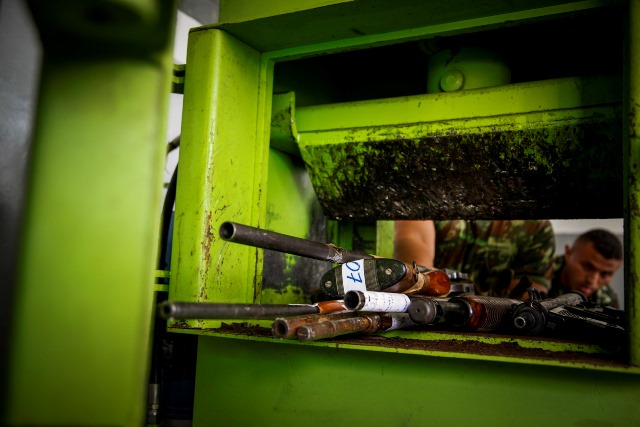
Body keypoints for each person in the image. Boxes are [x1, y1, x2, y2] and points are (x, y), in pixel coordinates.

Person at [394, 219, 556, 298]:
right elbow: (417, 277)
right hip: (429, 318)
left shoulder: (535, 226)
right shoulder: (428, 193)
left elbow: (529, 300)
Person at [546, 228, 623, 307]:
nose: (592, 280)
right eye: (588, 267)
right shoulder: (539, 274)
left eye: (604, 274)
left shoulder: (607, 300)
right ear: (568, 254)